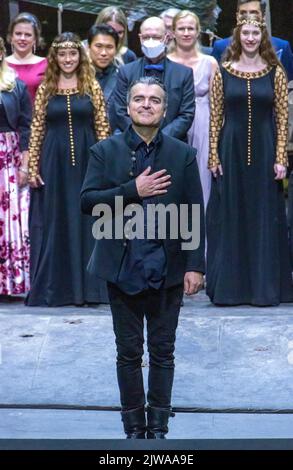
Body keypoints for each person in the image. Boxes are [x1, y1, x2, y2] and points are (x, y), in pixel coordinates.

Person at [80, 77, 205, 439]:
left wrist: (195, 264)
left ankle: (159, 427)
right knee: (129, 352)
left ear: (165, 110)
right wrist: (132, 191)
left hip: (167, 268)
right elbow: (87, 202)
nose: (146, 105)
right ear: (128, 107)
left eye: (154, 100)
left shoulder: (182, 154)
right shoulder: (105, 151)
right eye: (139, 99)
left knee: (164, 352)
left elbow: (194, 212)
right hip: (123, 267)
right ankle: (134, 429)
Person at [206, 14, 293, 306]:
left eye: (256, 33)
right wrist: (212, 154)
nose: (251, 39)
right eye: (246, 33)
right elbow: (216, 116)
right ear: (238, 36)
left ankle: (263, 288)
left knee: (263, 215)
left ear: (263, 37)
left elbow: (282, 119)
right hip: (230, 149)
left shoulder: (275, 72)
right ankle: (232, 288)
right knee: (232, 213)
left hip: (266, 150)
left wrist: (280, 156)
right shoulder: (223, 71)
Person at [26, 32, 110, 307]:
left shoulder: (91, 85)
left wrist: (106, 164)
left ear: (80, 56)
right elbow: (37, 128)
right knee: (58, 220)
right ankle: (59, 289)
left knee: (87, 220)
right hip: (54, 162)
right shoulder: (46, 88)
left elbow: (102, 127)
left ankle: (90, 289)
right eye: (62, 54)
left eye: (72, 54)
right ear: (55, 58)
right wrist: (32, 165)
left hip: (87, 160)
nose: (67, 59)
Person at [111, 16, 195, 142]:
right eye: (146, 37)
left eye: (156, 37)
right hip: (132, 144)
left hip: (171, 144)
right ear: (140, 38)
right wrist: (140, 137)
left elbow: (186, 115)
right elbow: (120, 111)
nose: (150, 41)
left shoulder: (184, 73)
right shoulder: (126, 71)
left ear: (166, 38)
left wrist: (158, 139)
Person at [168, 10, 218, 211]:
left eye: (191, 28)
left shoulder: (210, 62)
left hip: (203, 124)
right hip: (173, 122)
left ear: (198, 32)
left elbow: (217, 105)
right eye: (181, 28)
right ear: (173, 32)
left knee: (201, 181)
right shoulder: (165, 61)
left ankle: (200, 239)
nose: (186, 32)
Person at [0, 37, 31, 296]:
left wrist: (25, 163)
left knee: (8, 219)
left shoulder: (15, 84)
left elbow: (25, 125)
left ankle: (8, 282)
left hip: (7, 156)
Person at [211, 0, 293, 81]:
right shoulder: (221, 47)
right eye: (243, 13)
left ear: (263, 16)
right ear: (237, 16)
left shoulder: (282, 47)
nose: (248, 16)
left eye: (253, 12)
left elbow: (287, 83)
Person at [6, 12, 47, 102]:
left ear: (35, 39)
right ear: (11, 37)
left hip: (38, 115)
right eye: (18, 34)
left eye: (28, 35)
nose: (22, 38)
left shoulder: (46, 64)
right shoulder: (2, 64)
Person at [88, 24, 119, 131]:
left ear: (116, 49)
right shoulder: (77, 76)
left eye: (109, 47)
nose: (104, 53)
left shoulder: (123, 77)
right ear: (89, 46)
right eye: (98, 46)